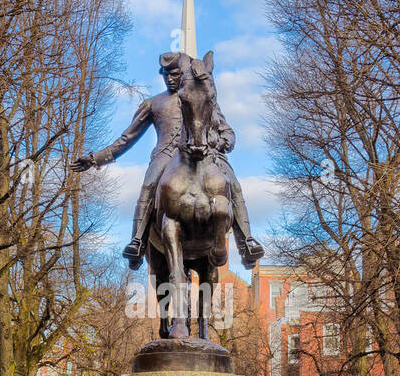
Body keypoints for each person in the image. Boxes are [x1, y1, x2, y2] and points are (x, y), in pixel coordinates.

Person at [71, 51, 264, 269]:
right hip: (165, 155)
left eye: (174, 73)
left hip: (203, 153)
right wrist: (96, 159)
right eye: (165, 74)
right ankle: (137, 241)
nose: (170, 78)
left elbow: (226, 129)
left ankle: (246, 242)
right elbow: (127, 138)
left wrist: (224, 141)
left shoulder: (200, 95)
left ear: (183, 73)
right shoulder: (153, 104)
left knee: (232, 183)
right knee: (150, 183)